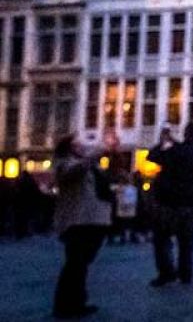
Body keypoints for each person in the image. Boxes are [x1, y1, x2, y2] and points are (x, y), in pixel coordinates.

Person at [52, 133, 112, 319]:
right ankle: (65, 304)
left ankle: (77, 300)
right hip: (78, 220)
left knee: (82, 263)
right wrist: (97, 151)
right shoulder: (65, 163)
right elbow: (75, 171)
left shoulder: (91, 166)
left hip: (94, 219)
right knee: (75, 263)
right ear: (69, 148)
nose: (83, 146)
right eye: (78, 144)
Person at [148, 123, 193, 287]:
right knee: (187, 242)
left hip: (169, 202)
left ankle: (166, 272)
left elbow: (152, 156)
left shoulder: (175, 151)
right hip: (191, 203)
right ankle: (185, 274)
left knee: (161, 239)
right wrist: (173, 142)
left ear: (186, 132)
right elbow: (185, 151)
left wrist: (163, 140)